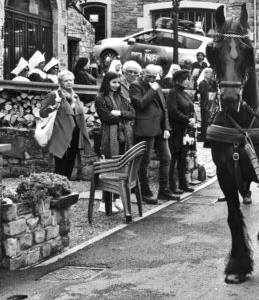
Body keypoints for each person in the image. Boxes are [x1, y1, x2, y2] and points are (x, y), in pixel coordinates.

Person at [130, 63, 177, 204]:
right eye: (149, 76)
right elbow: (141, 104)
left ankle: (164, 190)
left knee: (166, 157)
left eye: (154, 77)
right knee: (144, 161)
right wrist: (151, 90)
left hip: (160, 129)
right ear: (143, 73)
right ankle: (145, 191)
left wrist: (167, 127)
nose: (151, 79)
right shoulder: (136, 86)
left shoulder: (157, 85)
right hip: (145, 129)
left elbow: (164, 108)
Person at [38, 70, 93, 179]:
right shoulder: (54, 95)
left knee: (72, 157)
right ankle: (59, 182)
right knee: (60, 156)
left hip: (75, 131)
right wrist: (53, 107)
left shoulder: (75, 96)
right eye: (65, 81)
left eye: (71, 80)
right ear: (60, 83)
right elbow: (42, 112)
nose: (69, 82)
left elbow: (78, 113)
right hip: (61, 130)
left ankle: (67, 181)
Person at [95, 71, 136, 213]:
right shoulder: (100, 98)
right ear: (107, 82)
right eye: (113, 82)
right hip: (108, 138)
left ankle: (116, 198)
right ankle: (104, 202)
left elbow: (133, 113)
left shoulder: (121, 96)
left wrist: (120, 113)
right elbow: (106, 118)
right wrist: (124, 117)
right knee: (109, 168)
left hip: (123, 137)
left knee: (121, 167)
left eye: (118, 82)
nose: (116, 85)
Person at [167, 69, 197, 195]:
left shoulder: (185, 94)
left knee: (183, 157)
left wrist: (194, 118)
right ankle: (172, 186)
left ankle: (183, 184)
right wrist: (187, 120)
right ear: (178, 80)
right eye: (185, 79)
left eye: (188, 79)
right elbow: (172, 111)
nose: (187, 81)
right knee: (174, 158)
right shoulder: (173, 93)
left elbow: (191, 108)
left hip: (185, 130)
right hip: (176, 130)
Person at [197, 67, 217, 143]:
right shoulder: (202, 83)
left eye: (211, 72)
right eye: (207, 72)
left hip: (213, 103)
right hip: (205, 104)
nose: (210, 74)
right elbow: (203, 93)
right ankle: (204, 138)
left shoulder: (213, 82)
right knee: (205, 121)